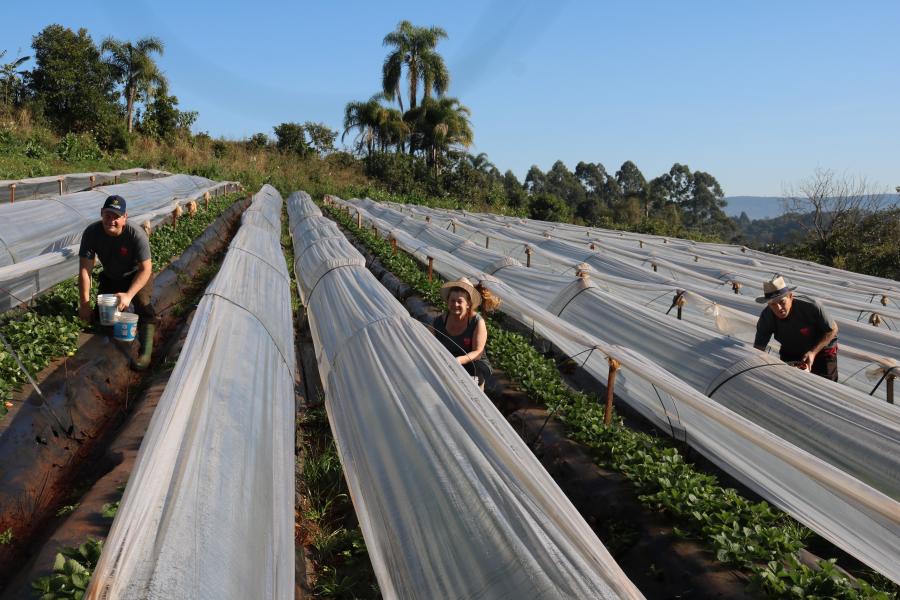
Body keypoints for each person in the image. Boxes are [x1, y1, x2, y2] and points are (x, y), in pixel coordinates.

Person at [78, 194, 157, 370]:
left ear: (125, 217)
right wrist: (84, 303)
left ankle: (145, 354)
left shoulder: (136, 234)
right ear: (101, 214)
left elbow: (146, 269)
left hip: (136, 275)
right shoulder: (92, 233)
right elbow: (85, 270)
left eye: (116, 216)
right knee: (101, 315)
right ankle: (116, 345)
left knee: (143, 304)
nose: (111, 220)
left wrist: (129, 295)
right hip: (112, 275)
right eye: (108, 215)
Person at [753, 275, 839, 381]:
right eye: (773, 304)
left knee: (824, 385)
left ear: (790, 297)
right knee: (790, 382)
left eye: (782, 302)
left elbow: (832, 329)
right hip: (791, 348)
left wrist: (813, 352)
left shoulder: (811, 307)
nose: (778, 308)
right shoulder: (767, 316)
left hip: (821, 349)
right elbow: (758, 348)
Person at [432, 278, 501, 390]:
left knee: (471, 395)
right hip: (449, 364)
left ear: (468, 304)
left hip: (473, 367)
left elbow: (477, 352)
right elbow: (429, 343)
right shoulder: (438, 322)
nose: (455, 304)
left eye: (460, 301)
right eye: (452, 300)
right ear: (448, 301)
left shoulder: (477, 322)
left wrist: (458, 360)